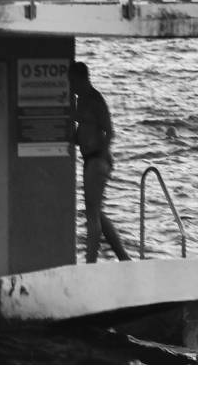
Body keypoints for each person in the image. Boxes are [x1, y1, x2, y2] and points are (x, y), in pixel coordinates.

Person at [68, 61, 131, 263]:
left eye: (72, 82)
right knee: (97, 213)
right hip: (90, 158)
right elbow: (81, 135)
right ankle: (123, 257)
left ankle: (90, 263)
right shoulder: (81, 101)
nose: (71, 86)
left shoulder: (95, 100)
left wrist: (100, 157)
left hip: (98, 159)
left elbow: (109, 132)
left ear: (81, 79)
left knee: (92, 214)